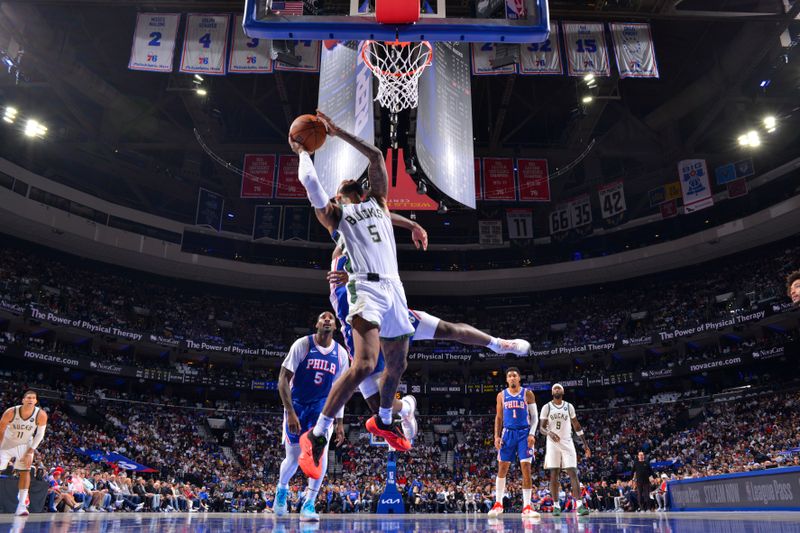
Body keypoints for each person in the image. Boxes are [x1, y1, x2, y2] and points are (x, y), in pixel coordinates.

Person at [289, 110, 415, 479]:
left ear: (357, 192)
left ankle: (385, 420)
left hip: (394, 287)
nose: (337, 191)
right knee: (362, 364)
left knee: (398, 364)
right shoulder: (337, 217)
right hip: (365, 288)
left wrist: (337, 131)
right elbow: (312, 187)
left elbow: (376, 157)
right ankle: (318, 433)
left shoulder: (378, 203)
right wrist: (301, 152)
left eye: (343, 188)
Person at [328, 242, 531, 440]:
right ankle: (407, 407)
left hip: (390, 317)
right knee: (378, 406)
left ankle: (498, 344)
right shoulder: (338, 266)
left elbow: (387, 279)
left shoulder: (371, 250)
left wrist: (359, 279)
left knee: (450, 329)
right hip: (361, 337)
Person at [275, 311, 349, 521]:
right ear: (317, 323)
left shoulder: (341, 354)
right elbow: (283, 379)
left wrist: (340, 421)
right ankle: (282, 489)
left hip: (322, 410)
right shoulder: (302, 344)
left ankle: (309, 503)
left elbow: (340, 391)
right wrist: (289, 412)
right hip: (297, 404)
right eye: (322, 317)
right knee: (293, 458)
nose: (327, 319)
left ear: (335, 326)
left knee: (319, 455)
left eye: (331, 318)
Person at [487, 368, 539, 518]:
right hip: (507, 434)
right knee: (502, 468)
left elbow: (534, 417)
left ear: (519, 378)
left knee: (526, 469)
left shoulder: (527, 393)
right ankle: (498, 504)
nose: (512, 378)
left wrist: (531, 433)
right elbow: (498, 417)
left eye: (514, 375)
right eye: (509, 376)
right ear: (506, 380)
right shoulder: (501, 395)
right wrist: (496, 436)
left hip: (524, 433)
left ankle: (527, 507)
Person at [539, 383, 590, 517]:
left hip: (567, 442)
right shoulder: (547, 407)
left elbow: (576, 425)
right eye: (554, 388)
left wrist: (585, 444)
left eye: (559, 388)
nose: (556, 389)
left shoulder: (569, 406)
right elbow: (541, 428)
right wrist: (549, 433)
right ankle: (556, 506)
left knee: (573, 472)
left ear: (563, 391)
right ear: (552, 393)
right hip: (552, 443)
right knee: (554, 474)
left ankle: (579, 505)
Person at [0, 390, 48, 516]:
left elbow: (40, 435)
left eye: (33, 398)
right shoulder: (11, 412)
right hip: (7, 442)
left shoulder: (41, 414)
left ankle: (21, 506)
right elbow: (1, 430)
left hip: (25, 445)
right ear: (23, 400)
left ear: (36, 401)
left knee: (25, 471)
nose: (31, 399)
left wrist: (30, 451)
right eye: (28, 397)